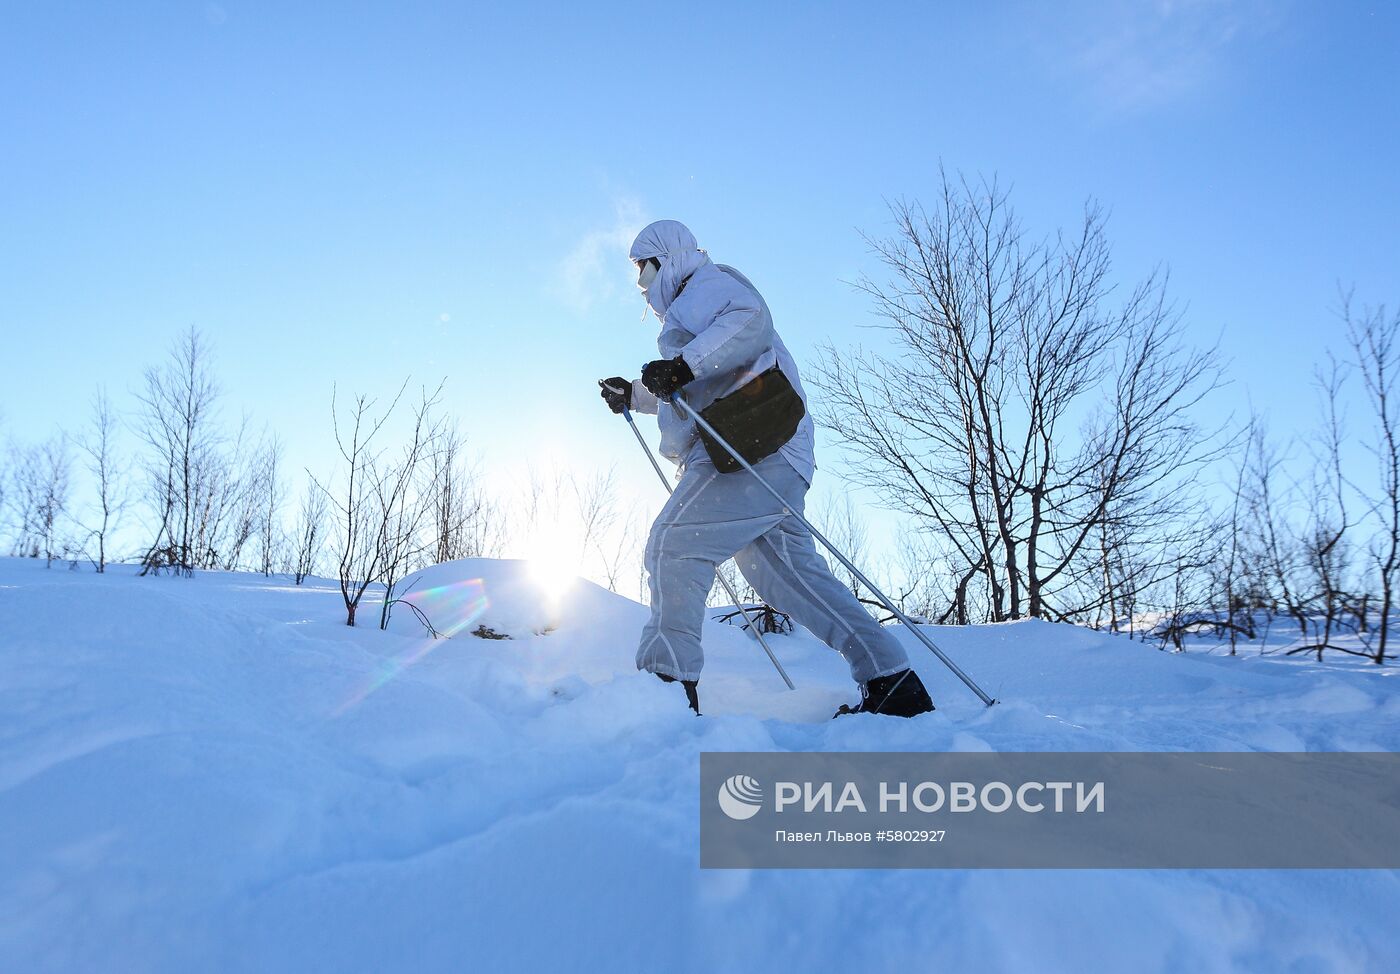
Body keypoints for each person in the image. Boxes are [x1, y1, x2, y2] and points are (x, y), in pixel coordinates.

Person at [599, 220, 934, 719]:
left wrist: (682, 366)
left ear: (666, 258)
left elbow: (747, 319)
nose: (642, 285)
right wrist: (639, 393)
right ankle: (894, 682)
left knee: (675, 544)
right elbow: (695, 384)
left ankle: (666, 690)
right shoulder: (693, 312)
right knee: (794, 581)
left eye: (643, 269)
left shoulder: (706, 285)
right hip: (774, 454)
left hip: (752, 449)